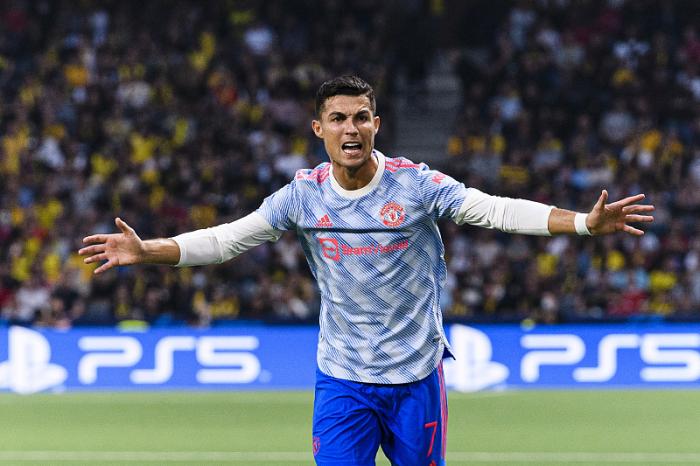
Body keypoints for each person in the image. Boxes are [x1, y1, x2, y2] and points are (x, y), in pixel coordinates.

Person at [79, 75, 654, 465]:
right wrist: (148, 251)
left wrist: (583, 224)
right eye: (337, 119)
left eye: (360, 118)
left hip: (415, 376)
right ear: (319, 129)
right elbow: (227, 240)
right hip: (343, 377)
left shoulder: (416, 185)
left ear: (376, 124)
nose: (350, 129)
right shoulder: (302, 197)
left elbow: (496, 210)